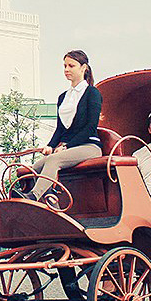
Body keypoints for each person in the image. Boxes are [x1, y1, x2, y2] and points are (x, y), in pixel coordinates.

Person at [25, 50, 103, 200]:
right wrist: (50, 145)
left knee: (54, 160)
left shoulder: (92, 93)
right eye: (65, 66)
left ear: (83, 68)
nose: (66, 70)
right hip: (69, 148)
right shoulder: (63, 97)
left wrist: (67, 146)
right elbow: (60, 129)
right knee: (35, 168)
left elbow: (91, 127)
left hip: (89, 147)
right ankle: (49, 200)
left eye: (71, 66)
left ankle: (33, 197)